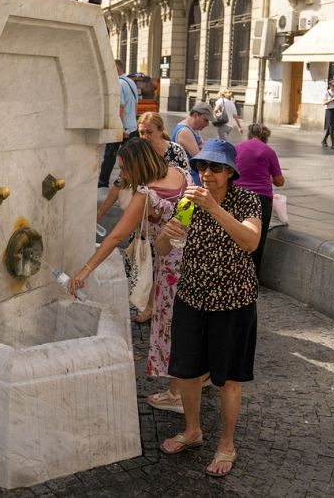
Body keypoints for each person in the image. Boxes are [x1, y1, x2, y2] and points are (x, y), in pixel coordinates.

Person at [156, 139, 261, 479]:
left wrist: (214, 207)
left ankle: (227, 444)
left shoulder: (246, 200)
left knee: (227, 379)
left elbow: (250, 241)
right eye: (202, 166)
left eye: (215, 167)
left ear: (230, 172)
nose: (207, 174)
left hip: (232, 302)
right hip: (191, 298)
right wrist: (166, 234)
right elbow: (164, 247)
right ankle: (192, 430)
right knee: (186, 371)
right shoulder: (188, 201)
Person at [69, 139, 186, 332]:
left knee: (168, 327)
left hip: (170, 265)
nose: (121, 174)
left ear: (138, 165)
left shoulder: (146, 195)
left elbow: (115, 237)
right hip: (192, 256)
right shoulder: (180, 173)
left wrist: (85, 271)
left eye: (124, 168)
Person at [96, 112, 191, 324]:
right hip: (145, 224)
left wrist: (181, 223)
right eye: (141, 132)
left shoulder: (175, 153)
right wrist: (100, 212)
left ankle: (156, 309)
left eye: (150, 132)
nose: (145, 136)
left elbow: (187, 193)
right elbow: (119, 183)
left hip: (172, 232)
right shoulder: (136, 153)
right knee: (144, 263)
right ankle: (149, 305)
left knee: (166, 275)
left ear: (161, 131)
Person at [234, 124, 285, 278]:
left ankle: (233, 274)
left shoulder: (237, 148)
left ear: (249, 134)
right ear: (265, 137)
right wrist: (268, 176)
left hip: (238, 195)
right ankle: (251, 278)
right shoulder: (268, 151)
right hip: (261, 199)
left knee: (235, 235)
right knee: (257, 240)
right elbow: (280, 181)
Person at [99, 59, 139, 188]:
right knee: (130, 158)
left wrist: (120, 127)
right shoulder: (131, 82)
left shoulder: (119, 84)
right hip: (132, 127)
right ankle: (129, 182)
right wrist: (133, 122)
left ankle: (103, 183)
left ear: (116, 69)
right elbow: (135, 104)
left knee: (109, 157)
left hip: (121, 128)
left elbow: (120, 108)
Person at [170, 102, 212, 185]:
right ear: (195, 115)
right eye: (205, 120)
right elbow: (201, 158)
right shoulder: (185, 131)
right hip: (190, 179)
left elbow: (204, 146)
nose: (207, 124)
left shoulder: (192, 129)